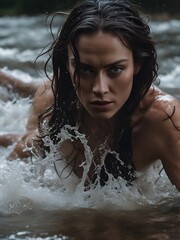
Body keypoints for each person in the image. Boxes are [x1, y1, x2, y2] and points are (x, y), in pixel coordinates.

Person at [1, 0, 180, 190]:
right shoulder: (51, 100)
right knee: (31, 137)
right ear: (67, 67)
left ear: (138, 64)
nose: (100, 89)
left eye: (115, 69)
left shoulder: (163, 117)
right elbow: (19, 162)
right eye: (85, 70)